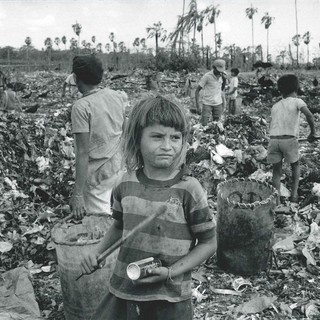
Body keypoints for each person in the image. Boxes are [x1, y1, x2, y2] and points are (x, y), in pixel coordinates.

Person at [80, 95, 217, 320]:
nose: (167, 146)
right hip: (125, 289)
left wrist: (171, 272)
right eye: (157, 136)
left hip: (170, 298)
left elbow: (209, 242)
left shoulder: (188, 189)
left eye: (175, 138)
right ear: (137, 138)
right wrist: (97, 253)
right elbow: (119, 227)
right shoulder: (125, 183)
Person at [69, 55, 128, 218]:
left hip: (98, 175)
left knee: (99, 221)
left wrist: (78, 194)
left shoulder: (81, 107)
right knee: (118, 216)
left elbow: (82, 153)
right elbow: (125, 129)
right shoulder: (116, 96)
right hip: (119, 167)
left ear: (75, 78)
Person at [267, 74, 316, 205]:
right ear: (297, 88)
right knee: (295, 165)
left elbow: (272, 123)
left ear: (280, 90)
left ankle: (276, 200)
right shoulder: (298, 102)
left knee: (276, 171)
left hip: (273, 140)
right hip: (289, 140)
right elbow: (310, 116)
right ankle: (294, 195)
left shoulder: (275, 105)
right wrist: (313, 133)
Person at [195, 59, 227, 125]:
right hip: (207, 103)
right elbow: (197, 90)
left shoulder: (223, 76)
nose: (219, 73)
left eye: (221, 71)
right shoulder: (207, 76)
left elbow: (221, 89)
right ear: (213, 68)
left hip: (218, 103)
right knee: (204, 124)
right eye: (218, 71)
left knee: (216, 124)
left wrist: (224, 79)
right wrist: (198, 106)